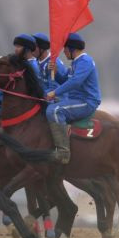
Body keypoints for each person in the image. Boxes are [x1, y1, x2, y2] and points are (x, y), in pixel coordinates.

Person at [45, 33, 101, 164]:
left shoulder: (85, 61)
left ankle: (63, 152)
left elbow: (75, 82)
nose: (64, 52)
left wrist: (55, 92)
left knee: (54, 110)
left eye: (65, 49)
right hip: (74, 100)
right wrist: (56, 71)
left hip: (86, 102)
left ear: (72, 49)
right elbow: (65, 79)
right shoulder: (76, 63)